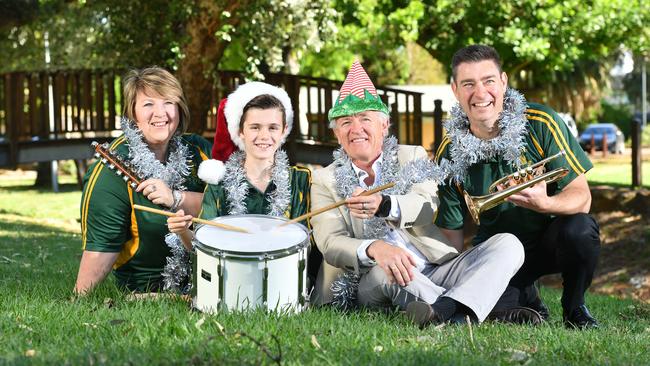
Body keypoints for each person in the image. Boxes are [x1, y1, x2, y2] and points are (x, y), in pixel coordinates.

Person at [310, 61, 529, 326]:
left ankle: (447, 311)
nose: (356, 129)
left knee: (508, 244)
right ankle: (485, 310)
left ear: (384, 125)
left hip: (434, 268)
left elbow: (427, 206)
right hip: (375, 278)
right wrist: (375, 249)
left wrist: (384, 204)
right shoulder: (325, 179)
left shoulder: (410, 155)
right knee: (387, 271)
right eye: (345, 122)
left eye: (365, 119)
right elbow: (330, 243)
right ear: (336, 133)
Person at [434, 45, 601, 329]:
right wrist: (452, 278)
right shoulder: (449, 152)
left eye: (488, 81)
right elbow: (451, 231)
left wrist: (545, 203)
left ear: (503, 82)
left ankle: (575, 309)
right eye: (468, 84)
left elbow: (582, 198)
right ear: (455, 89)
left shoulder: (540, 123)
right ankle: (527, 295)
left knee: (581, 229)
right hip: (498, 255)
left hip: (550, 243)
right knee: (487, 309)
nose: (480, 93)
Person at [75, 66, 212, 294]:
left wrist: (176, 198)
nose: (161, 113)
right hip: (146, 290)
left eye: (168, 102)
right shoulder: (112, 167)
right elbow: (101, 247)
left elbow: (231, 205)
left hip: (206, 280)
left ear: (179, 109)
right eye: (148, 104)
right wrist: (80, 297)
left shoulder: (199, 150)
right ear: (133, 114)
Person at [166, 82, 318, 285]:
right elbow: (202, 247)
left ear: (284, 131)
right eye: (255, 127)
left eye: (273, 127)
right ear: (240, 132)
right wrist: (183, 230)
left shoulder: (301, 180)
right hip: (232, 281)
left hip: (284, 282)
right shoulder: (219, 183)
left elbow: (308, 244)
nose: (264, 136)